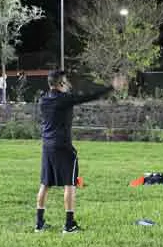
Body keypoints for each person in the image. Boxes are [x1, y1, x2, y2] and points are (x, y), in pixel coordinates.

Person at [36, 69, 121, 233]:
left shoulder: (43, 100)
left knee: (45, 183)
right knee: (70, 183)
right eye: (66, 81)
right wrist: (111, 87)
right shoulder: (64, 100)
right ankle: (69, 225)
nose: (68, 84)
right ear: (60, 83)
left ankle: (39, 224)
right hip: (64, 147)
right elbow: (89, 96)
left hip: (47, 146)